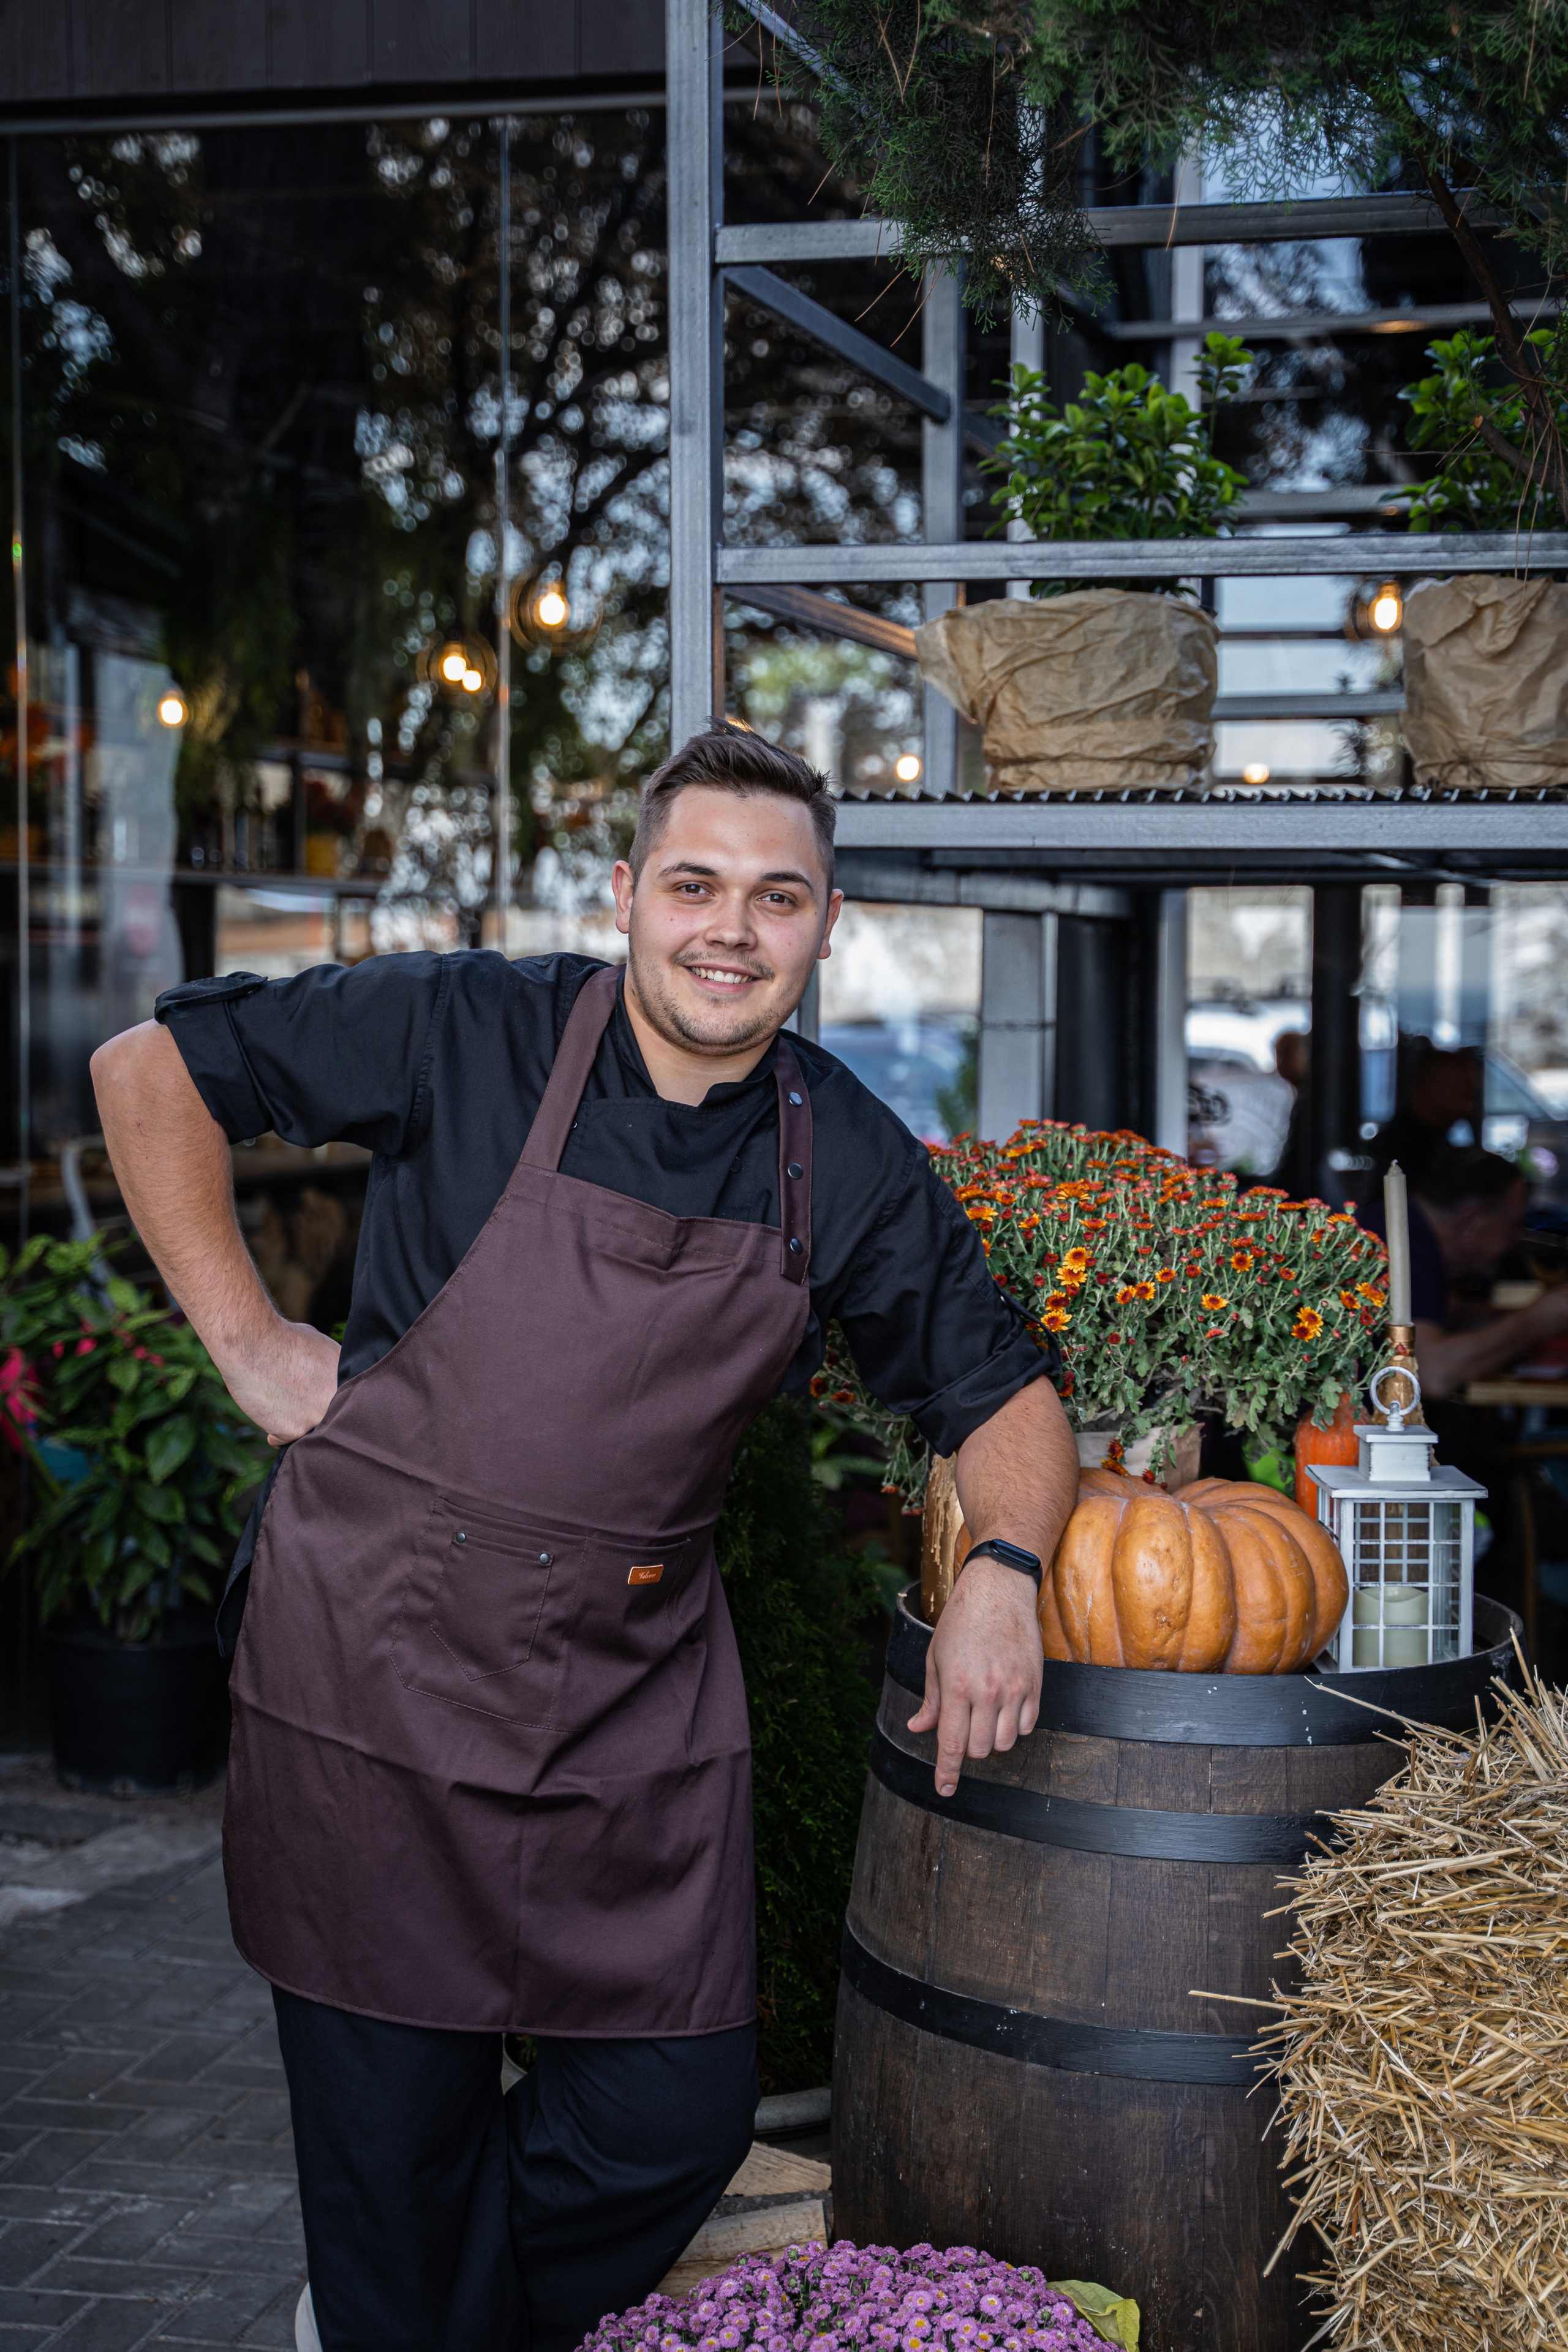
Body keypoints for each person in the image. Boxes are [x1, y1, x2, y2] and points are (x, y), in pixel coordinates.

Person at [91, 723, 1078, 2352]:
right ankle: (394, 2305)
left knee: (669, 2122)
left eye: (777, 898)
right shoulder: (467, 1024)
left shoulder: (846, 1156)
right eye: (694, 884)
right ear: (627, 893)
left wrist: (1004, 1569)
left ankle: (396, 2312)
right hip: (373, 1684)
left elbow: (1005, 1396)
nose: (729, 932)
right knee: (395, 2155)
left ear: (827, 926)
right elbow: (151, 1070)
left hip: (627, 1705)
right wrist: (250, 1341)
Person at [1356, 1147, 1568, 1399]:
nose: (1517, 1237)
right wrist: (1533, 1321)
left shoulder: (1399, 1224)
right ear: (1471, 1222)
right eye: (1513, 1223)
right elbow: (1433, 1373)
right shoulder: (1404, 1247)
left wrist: (1548, 1316)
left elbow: (1447, 1314)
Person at [1365, 1043, 1483, 1194]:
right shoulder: (1403, 1148)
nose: (1469, 1107)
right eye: (1465, 1094)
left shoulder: (1435, 1140)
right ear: (1436, 1088)